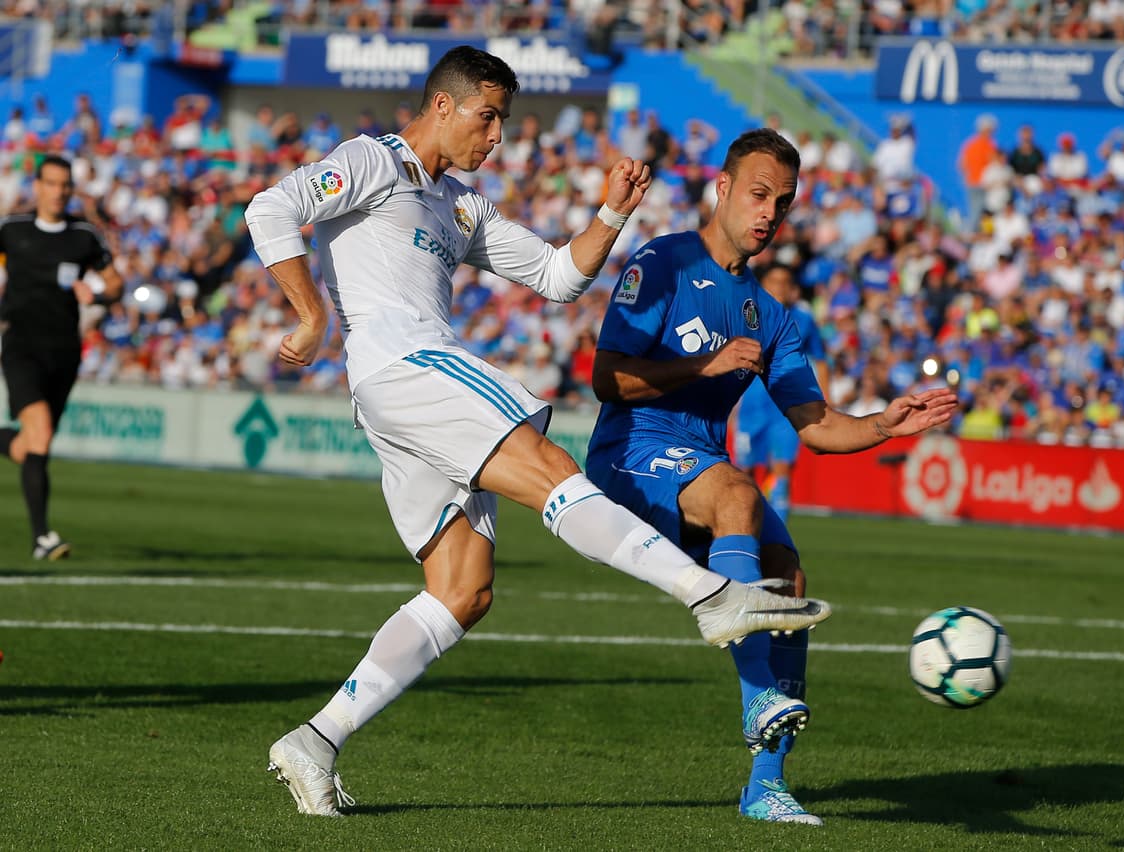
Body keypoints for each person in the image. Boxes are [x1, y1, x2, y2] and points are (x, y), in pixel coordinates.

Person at [242, 47, 831, 818]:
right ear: (443, 106)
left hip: (392, 397)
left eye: (505, 122)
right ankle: (708, 594)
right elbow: (270, 209)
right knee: (548, 464)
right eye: (488, 118)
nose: (497, 138)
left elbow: (558, 277)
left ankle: (315, 741)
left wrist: (611, 214)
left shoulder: (460, 205)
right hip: (408, 363)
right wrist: (312, 312)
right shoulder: (372, 162)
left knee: (462, 590)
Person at [584, 129, 958, 825]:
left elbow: (815, 425)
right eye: (758, 195)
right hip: (629, 455)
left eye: (781, 203)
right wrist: (704, 365)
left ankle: (766, 786)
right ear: (721, 188)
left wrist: (885, 422)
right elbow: (608, 378)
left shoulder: (772, 315)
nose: (768, 214)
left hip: (696, 459)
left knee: (787, 575)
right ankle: (761, 697)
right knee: (738, 494)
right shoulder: (662, 262)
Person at [0, 155, 123, 559]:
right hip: (20, 345)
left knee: (35, 444)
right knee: (40, 431)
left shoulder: (83, 236)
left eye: (64, 185)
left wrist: (100, 295)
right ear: (37, 186)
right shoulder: (11, 230)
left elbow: (116, 283)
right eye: (51, 183)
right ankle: (42, 538)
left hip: (65, 350)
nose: (58, 191)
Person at [732, 262, 830, 525]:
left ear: (793, 289)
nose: (780, 287)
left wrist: (825, 400)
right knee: (745, 470)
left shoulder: (804, 319)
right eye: (774, 281)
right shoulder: (748, 312)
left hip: (785, 406)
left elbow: (821, 359)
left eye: (785, 282)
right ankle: (746, 524)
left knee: (782, 466)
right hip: (752, 403)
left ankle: (779, 530)